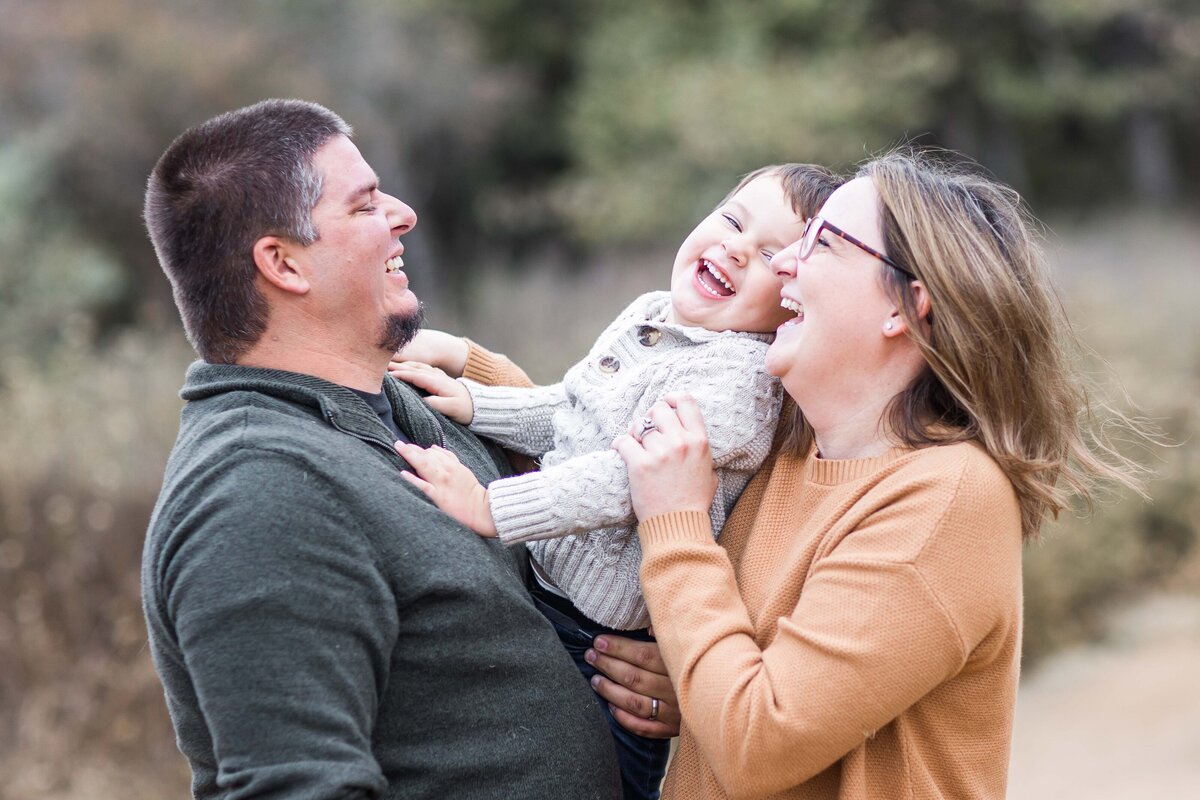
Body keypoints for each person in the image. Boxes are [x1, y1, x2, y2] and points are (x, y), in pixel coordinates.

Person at [448, 150, 1148, 798]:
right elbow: (610, 429)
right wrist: (697, 684)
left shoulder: (945, 499)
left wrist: (675, 525)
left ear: (908, 308)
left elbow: (759, 742)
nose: (783, 268)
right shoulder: (785, 445)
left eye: (820, 245)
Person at [139, 98, 680, 800]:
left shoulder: (413, 405)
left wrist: (652, 680)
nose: (403, 215)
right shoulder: (258, 495)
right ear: (283, 264)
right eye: (364, 206)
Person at [389, 164, 841, 799]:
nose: (737, 248)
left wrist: (492, 506)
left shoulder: (741, 384)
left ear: (792, 294)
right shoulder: (653, 315)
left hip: (604, 647)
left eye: (770, 254)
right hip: (542, 590)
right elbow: (577, 413)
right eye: (734, 220)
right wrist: (475, 402)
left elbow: (628, 479)